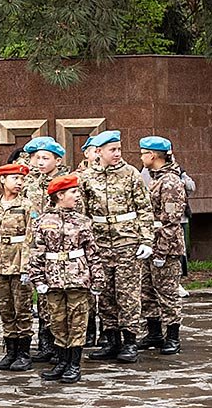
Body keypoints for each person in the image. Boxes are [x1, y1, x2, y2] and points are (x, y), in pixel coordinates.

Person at [80, 130, 153, 364]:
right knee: (106, 294)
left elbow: (144, 208)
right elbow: (82, 214)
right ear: (98, 152)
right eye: (112, 150)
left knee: (128, 293)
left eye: (119, 149)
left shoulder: (130, 174)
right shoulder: (86, 177)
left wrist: (146, 240)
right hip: (99, 243)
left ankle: (130, 341)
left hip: (127, 241)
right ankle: (111, 340)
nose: (117, 153)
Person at [27, 174, 103, 383]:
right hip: (53, 280)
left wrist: (97, 279)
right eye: (73, 192)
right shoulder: (43, 221)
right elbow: (36, 252)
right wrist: (38, 279)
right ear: (60, 195)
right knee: (57, 321)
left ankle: (74, 364)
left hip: (77, 278)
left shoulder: (83, 222)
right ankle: (61, 361)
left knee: (77, 322)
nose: (77, 196)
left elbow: (92, 252)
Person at [139, 136, 187, 354]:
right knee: (147, 291)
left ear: (152, 155)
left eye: (143, 153)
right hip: (151, 243)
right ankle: (155, 333)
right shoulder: (155, 178)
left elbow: (171, 220)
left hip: (165, 246)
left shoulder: (169, 182)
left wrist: (162, 250)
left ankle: (173, 337)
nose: (141, 157)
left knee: (167, 293)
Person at [21, 137, 68, 355]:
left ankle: (62, 343)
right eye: (36, 158)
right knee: (41, 292)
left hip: (60, 245)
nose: (40, 162)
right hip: (37, 244)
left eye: (45, 158)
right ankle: (45, 342)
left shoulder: (67, 181)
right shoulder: (28, 183)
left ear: (57, 160)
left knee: (59, 294)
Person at [0, 162, 35, 372]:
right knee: (6, 309)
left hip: (19, 261)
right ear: (2, 180)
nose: (19, 182)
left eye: (22, 178)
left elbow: (30, 238)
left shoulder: (28, 205)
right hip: (0, 262)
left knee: (22, 309)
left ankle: (24, 353)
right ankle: (10, 351)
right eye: (14, 178)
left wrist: (26, 266)